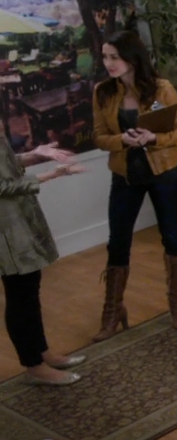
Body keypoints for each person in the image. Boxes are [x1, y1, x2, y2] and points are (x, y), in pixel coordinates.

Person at [91, 29, 177, 341]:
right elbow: (99, 137)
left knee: (171, 237)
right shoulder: (103, 92)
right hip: (125, 176)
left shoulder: (162, 89)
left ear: (132, 58)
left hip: (163, 172)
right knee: (118, 242)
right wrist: (121, 140)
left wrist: (153, 138)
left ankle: (176, 304)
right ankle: (113, 311)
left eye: (115, 57)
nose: (108, 63)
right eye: (105, 57)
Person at [0, 139, 88, 386]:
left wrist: (35, 155)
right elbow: (2, 186)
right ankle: (34, 366)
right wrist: (51, 175)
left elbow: (6, 164)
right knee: (19, 295)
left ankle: (42, 353)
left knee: (29, 289)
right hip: (6, 230)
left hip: (19, 220)